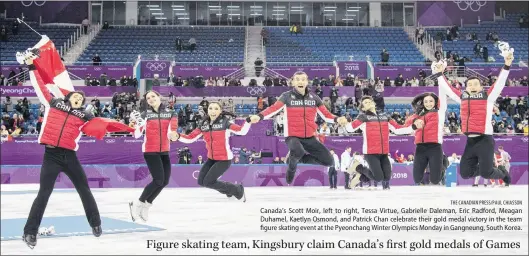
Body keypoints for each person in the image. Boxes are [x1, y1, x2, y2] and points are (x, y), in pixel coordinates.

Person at [20, 51, 133, 248]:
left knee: (84, 189)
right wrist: (31, 66)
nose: (79, 99)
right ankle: (30, 233)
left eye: (82, 99)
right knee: (44, 193)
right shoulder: (54, 103)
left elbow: (104, 124)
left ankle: (96, 223)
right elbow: (40, 85)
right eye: (76, 97)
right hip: (51, 155)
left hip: (70, 156)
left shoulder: (85, 115)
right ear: (68, 97)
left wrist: (128, 126)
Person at [249, 71, 348, 184]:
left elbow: (326, 115)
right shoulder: (286, 96)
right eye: (297, 79)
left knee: (329, 161)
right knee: (298, 151)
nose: (300, 81)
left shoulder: (314, 98)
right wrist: (259, 116)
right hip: (293, 136)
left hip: (310, 137)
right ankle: (291, 168)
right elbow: (273, 109)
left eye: (303, 79)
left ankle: (292, 158)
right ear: (292, 82)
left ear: (307, 82)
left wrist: (337, 119)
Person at [436, 48, 513, 186]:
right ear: (466, 87)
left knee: (486, 173)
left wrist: (507, 65)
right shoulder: (463, 97)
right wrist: (439, 74)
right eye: (469, 84)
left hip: (485, 140)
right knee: (465, 173)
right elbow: (448, 89)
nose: (472, 86)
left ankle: (502, 173)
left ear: (481, 86)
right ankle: (490, 169)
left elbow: (499, 83)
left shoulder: (487, 97)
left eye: (475, 84)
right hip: (470, 141)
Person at [176, 102, 249, 201]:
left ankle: (237, 189)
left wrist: (248, 121)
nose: (213, 111)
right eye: (210, 108)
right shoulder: (203, 124)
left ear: (220, 111)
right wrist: (178, 136)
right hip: (211, 158)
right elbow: (190, 138)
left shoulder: (225, 122)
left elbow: (241, 131)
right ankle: (229, 191)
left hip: (224, 159)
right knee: (201, 181)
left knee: (208, 182)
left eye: (216, 108)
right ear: (208, 110)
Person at [128, 90, 178, 223]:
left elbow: (172, 130)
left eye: (153, 96)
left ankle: (146, 205)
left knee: (165, 181)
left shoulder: (171, 112)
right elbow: (137, 135)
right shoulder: (145, 114)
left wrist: (174, 134)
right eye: (148, 98)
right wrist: (134, 126)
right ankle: (137, 204)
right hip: (150, 150)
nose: (150, 99)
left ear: (159, 97)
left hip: (164, 150)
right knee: (158, 180)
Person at [344, 96, 414, 190]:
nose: (368, 103)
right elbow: (350, 128)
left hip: (384, 152)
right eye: (365, 103)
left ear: (374, 103)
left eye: (370, 101)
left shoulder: (385, 117)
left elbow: (397, 129)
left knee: (386, 177)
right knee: (378, 177)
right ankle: (358, 167)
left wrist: (413, 127)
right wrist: (345, 123)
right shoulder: (363, 117)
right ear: (363, 108)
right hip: (370, 153)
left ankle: (360, 177)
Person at [402, 89, 448, 185]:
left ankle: (443, 165)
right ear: (422, 103)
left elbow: (443, 96)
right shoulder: (417, 115)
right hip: (420, 148)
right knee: (417, 179)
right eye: (425, 101)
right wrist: (415, 120)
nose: (428, 103)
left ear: (435, 102)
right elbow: (406, 124)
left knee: (435, 180)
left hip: (435, 147)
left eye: (431, 101)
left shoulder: (440, 113)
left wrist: (440, 76)